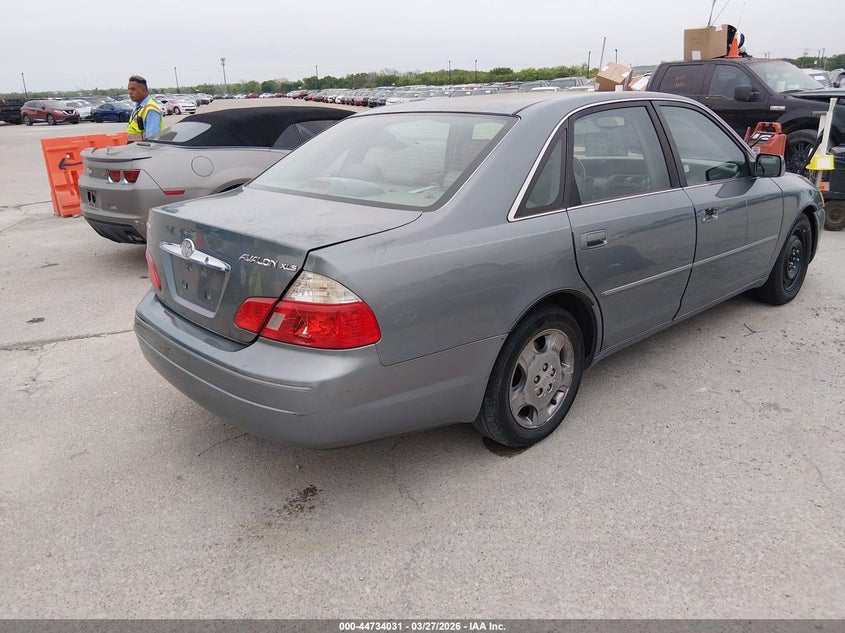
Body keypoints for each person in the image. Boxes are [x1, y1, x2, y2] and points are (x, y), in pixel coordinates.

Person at [126, 75, 163, 141]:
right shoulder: (138, 108)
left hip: (144, 150)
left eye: (133, 89)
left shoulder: (151, 110)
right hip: (135, 148)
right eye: (129, 89)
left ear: (144, 90)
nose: (130, 92)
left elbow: (152, 139)